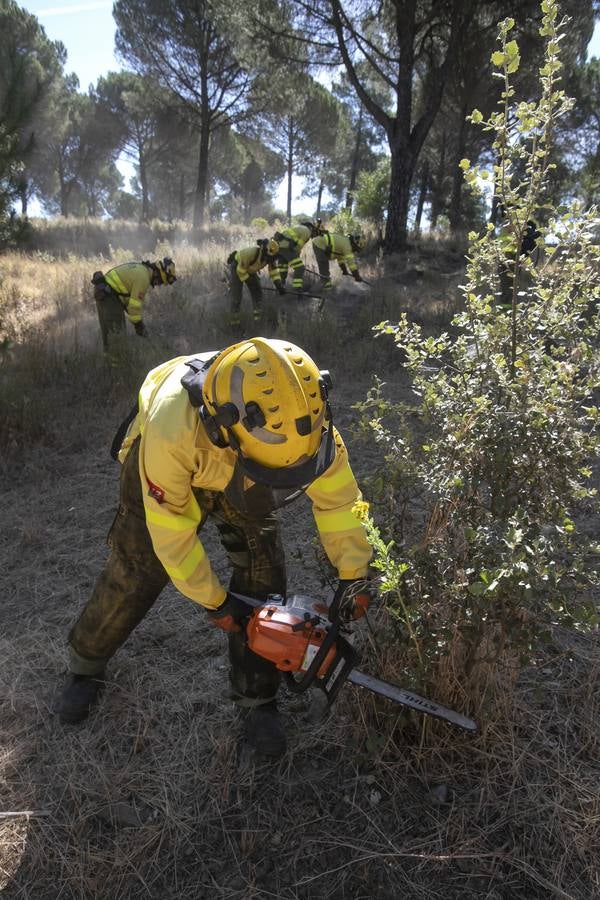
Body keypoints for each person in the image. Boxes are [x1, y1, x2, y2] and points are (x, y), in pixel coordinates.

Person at [58, 338, 373, 757]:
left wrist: (354, 575)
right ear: (222, 427)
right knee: (137, 569)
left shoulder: (306, 420)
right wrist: (215, 602)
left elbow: (339, 501)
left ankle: (257, 701)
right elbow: (172, 531)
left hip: (245, 473)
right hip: (171, 467)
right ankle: (85, 664)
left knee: (264, 577)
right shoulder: (173, 429)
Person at [91, 257, 177, 349]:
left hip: (104, 292)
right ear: (158, 274)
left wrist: (136, 320)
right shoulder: (144, 278)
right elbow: (134, 307)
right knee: (117, 338)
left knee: (109, 338)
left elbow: (127, 298)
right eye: (159, 281)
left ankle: (110, 361)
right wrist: (139, 326)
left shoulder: (142, 270)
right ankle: (116, 362)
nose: (157, 284)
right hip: (109, 297)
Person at [226, 238, 281, 329]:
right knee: (236, 298)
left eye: (272, 257)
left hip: (250, 270)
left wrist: (278, 284)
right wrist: (251, 283)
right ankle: (235, 326)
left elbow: (274, 271)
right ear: (264, 250)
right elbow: (240, 271)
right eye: (268, 256)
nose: (269, 259)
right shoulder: (250, 254)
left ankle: (258, 323)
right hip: (237, 267)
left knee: (258, 294)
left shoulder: (270, 256)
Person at [272, 219, 323, 294]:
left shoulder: (299, 227)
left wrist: (293, 259)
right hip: (287, 248)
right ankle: (297, 290)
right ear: (312, 229)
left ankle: (281, 287)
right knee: (300, 268)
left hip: (279, 247)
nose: (314, 235)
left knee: (283, 267)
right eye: (316, 233)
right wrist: (295, 258)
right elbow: (298, 247)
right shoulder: (307, 232)